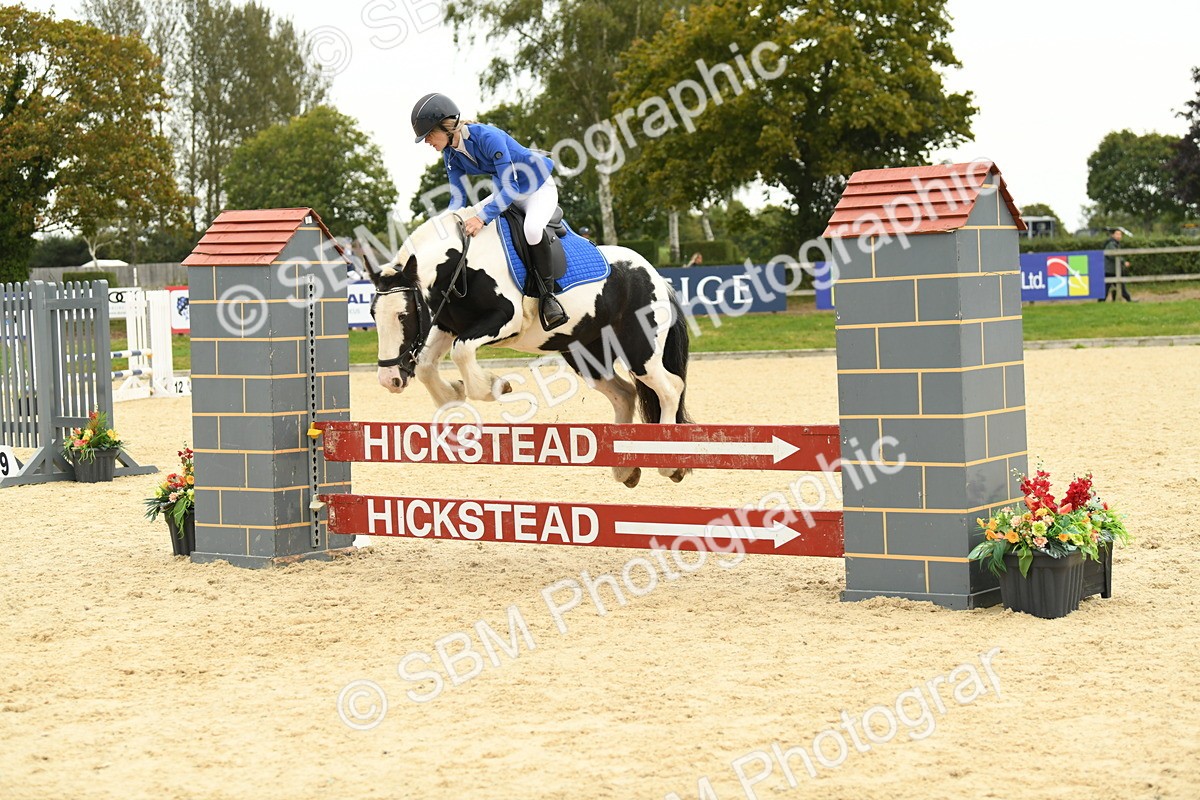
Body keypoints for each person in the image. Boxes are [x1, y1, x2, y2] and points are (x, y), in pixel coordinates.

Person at [411, 92, 568, 330]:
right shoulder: (450, 154)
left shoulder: (488, 137)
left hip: (537, 187)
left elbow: (511, 187)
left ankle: (548, 297)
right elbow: (458, 198)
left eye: (429, 134)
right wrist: (443, 224)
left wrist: (481, 218)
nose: (427, 141)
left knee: (533, 230)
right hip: (505, 191)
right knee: (469, 218)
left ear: (446, 126)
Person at [1101, 228, 1134, 302]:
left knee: (1117, 287)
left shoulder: (1114, 243)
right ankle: (1128, 300)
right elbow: (1113, 255)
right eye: (1117, 234)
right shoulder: (1111, 244)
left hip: (1112, 269)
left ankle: (1128, 299)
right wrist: (1123, 262)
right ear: (1113, 235)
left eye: (1120, 234)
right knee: (1110, 287)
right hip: (1110, 270)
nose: (1119, 236)